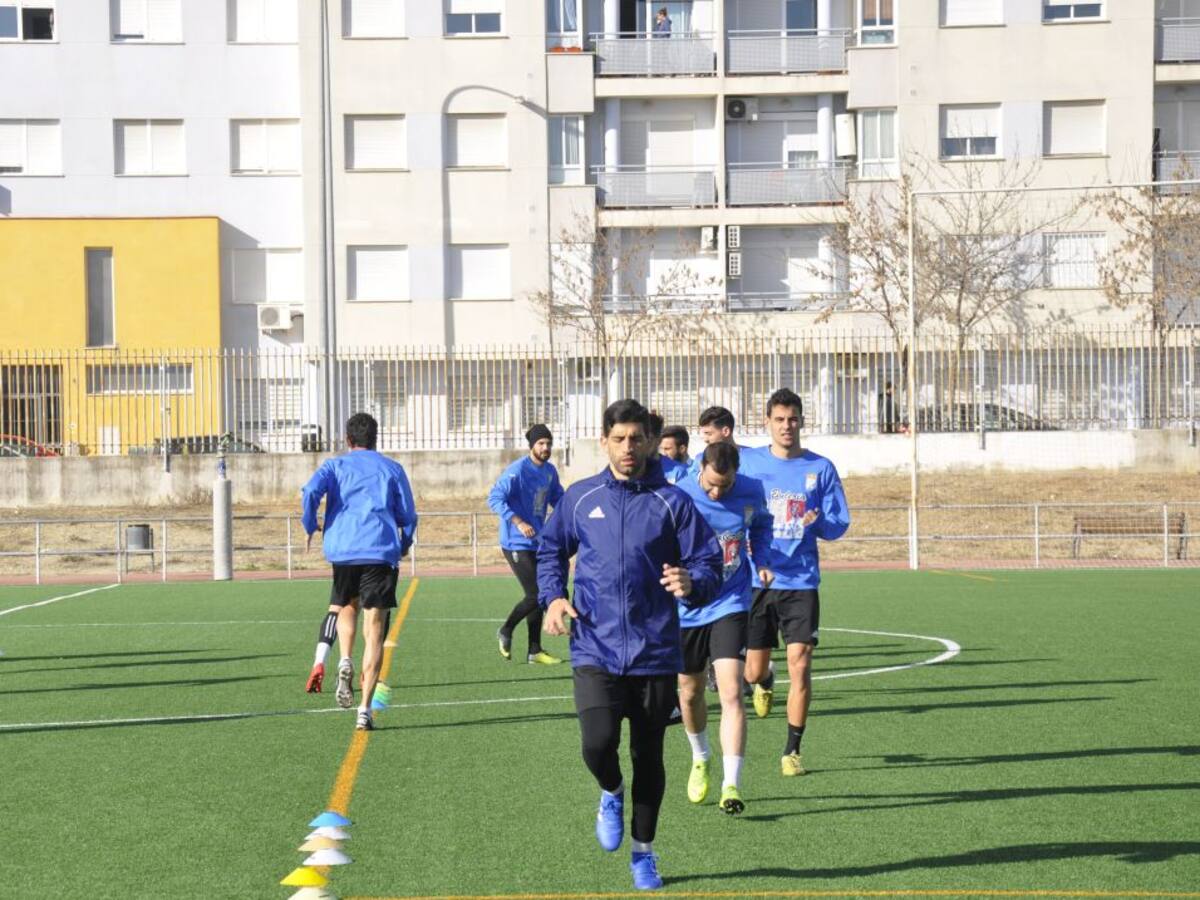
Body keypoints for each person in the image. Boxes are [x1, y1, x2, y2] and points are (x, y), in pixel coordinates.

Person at [538, 399, 722, 891]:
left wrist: (693, 580)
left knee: (649, 756)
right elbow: (551, 550)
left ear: (647, 441)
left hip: (655, 651)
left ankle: (644, 854)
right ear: (604, 441)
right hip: (594, 648)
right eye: (618, 439)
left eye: (635, 439)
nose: (627, 448)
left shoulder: (673, 501)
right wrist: (554, 597)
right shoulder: (580, 497)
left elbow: (709, 562)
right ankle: (610, 790)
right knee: (597, 745)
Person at [740, 388, 850, 776]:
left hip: (801, 581)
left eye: (793, 419)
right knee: (751, 671)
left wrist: (816, 522)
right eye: (780, 419)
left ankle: (792, 751)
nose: (787, 426)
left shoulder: (821, 469)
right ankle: (763, 680)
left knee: (800, 664)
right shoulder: (749, 464)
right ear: (767, 422)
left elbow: (839, 524)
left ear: (802, 421)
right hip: (758, 580)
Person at [302, 412, 418, 732]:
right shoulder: (392, 468)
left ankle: (344, 659)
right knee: (375, 630)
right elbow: (408, 514)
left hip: (343, 551)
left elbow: (310, 492)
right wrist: (404, 541)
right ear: (375, 439)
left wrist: (311, 524)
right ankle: (364, 709)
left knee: (346, 606)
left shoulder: (334, 466)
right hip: (380, 552)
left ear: (347, 439)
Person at [675, 442, 773, 815]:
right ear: (701, 467)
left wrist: (761, 559)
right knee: (689, 692)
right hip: (686, 607)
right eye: (712, 485)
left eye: (726, 485)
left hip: (730, 600)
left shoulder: (751, 490)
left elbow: (762, 526)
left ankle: (731, 784)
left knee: (731, 690)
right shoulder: (679, 493)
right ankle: (701, 757)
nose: (718, 492)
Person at [487, 424, 565, 665]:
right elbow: (494, 498)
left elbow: (559, 500)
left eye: (549, 443)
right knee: (537, 593)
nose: (546, 448)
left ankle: (534, 650)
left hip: (537, 541)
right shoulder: (517, 470)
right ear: (531, 445)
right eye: (541, 443)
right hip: (515, 542)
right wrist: (519, 522)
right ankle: (506, 630)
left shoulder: (550, 471)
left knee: (538, 595)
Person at [647, 410, 688, 485]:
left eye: (648, 439)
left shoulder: (678, 471)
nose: (642, 443)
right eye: (637, 439)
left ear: (658, 440)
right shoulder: (627, 469)